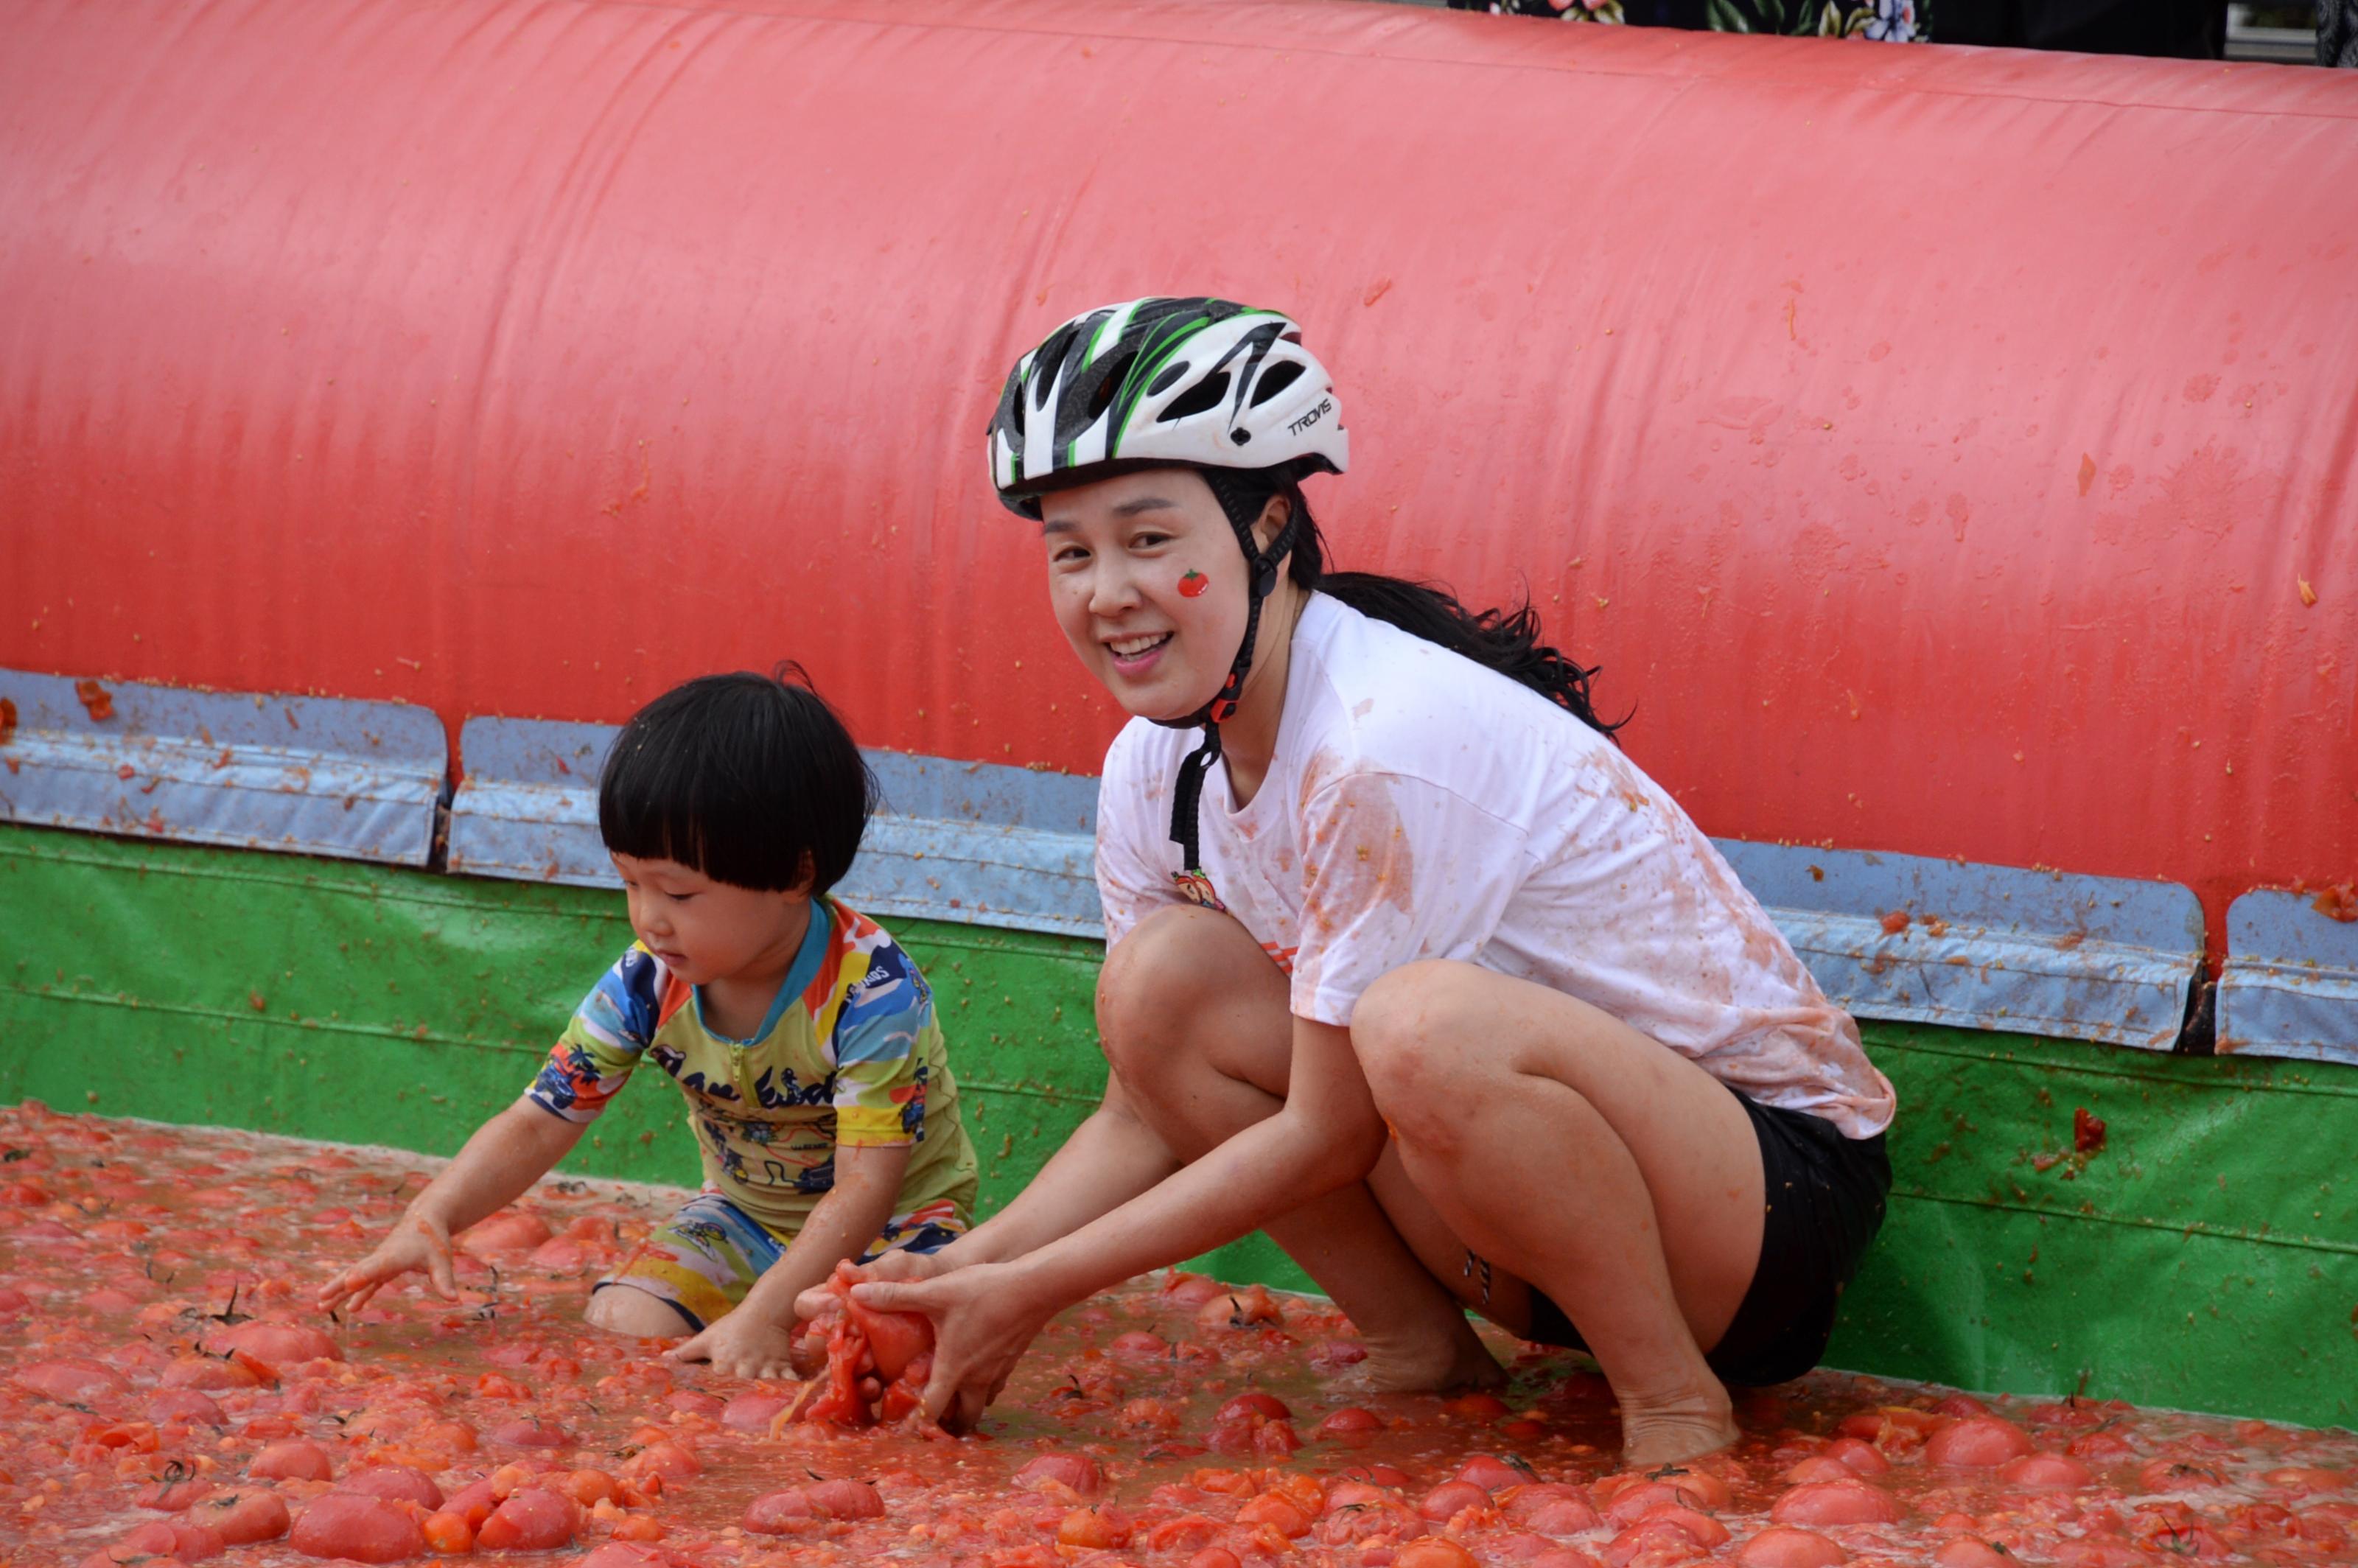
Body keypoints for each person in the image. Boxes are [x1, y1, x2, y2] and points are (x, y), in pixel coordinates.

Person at [830, 298, 1895, 1464]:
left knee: (1420, 1026)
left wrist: (1035, 1292)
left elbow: (1330, 1135)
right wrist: (948, 1276)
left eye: (1148, 541)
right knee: (1159, 988)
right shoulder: (1156, 764)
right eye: (1071, 554)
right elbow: (1147, 1103)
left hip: (1762, 1219)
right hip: (1513, 1230)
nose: (1105, 594)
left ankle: (1674, 1405)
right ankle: (1422, 1346)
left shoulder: (1380, 744)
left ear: (1269, 524)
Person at [319, 668, 977, 1377]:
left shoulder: (871, 990)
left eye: (678, 891)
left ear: (795, 875)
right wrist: (434, 1214)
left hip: (895, 1229)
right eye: (630, 883)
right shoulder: (647, 980)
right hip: (742, 1218)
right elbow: (541, 1118)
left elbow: (865, 1187)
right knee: (624, 1323)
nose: (647, 918)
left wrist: (767, 1315)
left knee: (852, 1362)